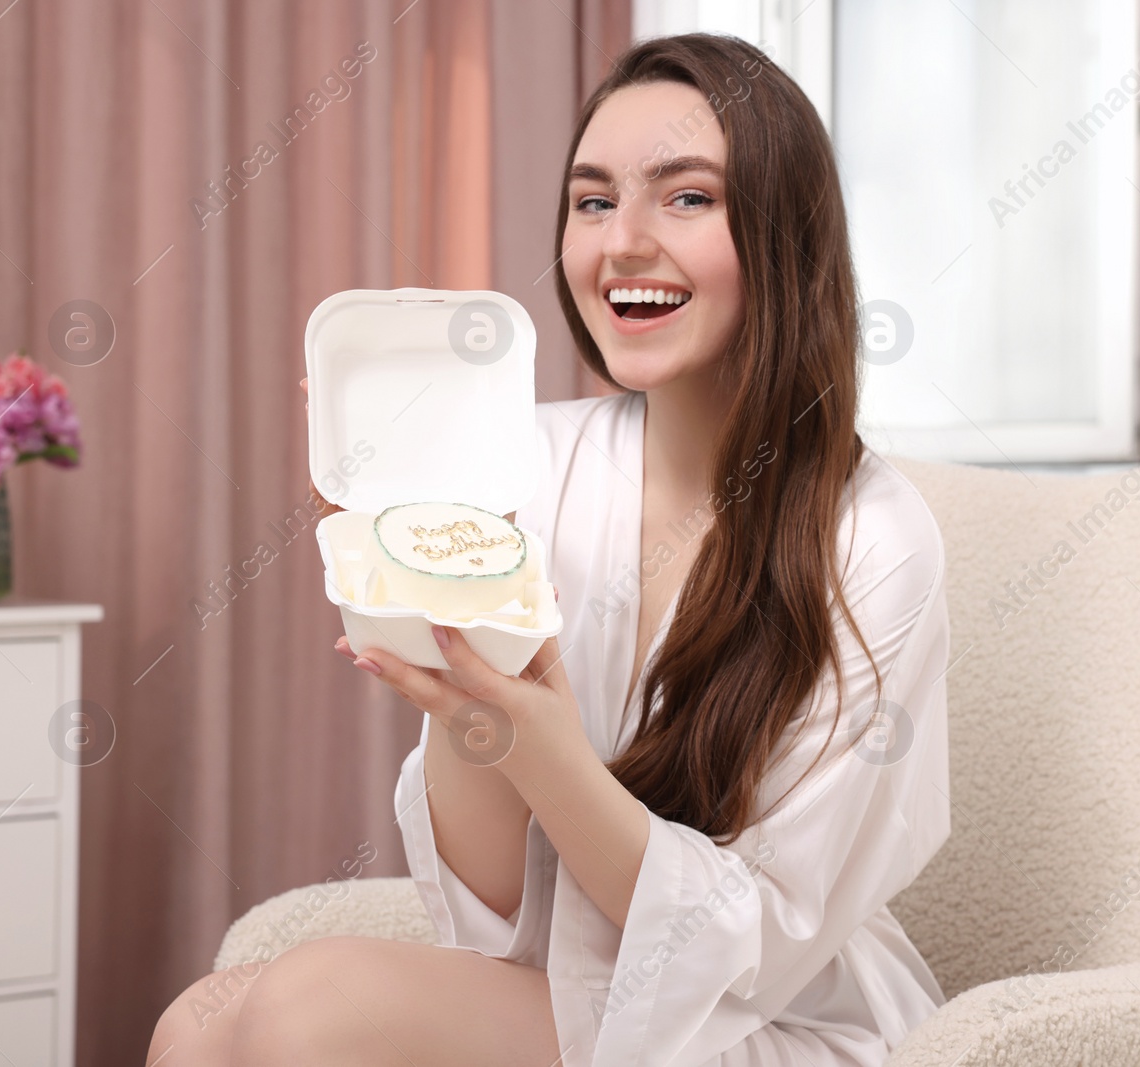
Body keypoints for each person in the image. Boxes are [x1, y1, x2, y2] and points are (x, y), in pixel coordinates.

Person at [147, 32, 950, 1067]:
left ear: (782, 230)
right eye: (592, 200)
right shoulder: (528, 461)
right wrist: (440, 617)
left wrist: (541, 742)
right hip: (575, 978)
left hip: (770, 1014)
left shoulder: (873, 538)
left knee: (306, 1007)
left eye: (687, 196)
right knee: (193, 1023)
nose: (622, 242)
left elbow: (757, 949)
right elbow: (494, 915)